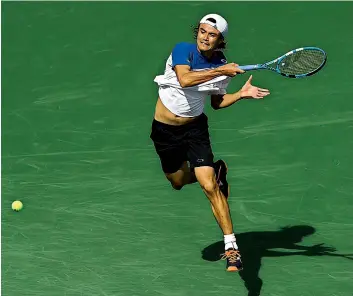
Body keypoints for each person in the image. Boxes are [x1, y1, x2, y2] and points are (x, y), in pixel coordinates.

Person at [150, 13, 270, 272]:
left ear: (220, 40)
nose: (205, 37)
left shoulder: (222, 65)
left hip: (195, 130)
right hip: (165, 131)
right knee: (178, 181)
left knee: (210, 187)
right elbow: (185, 79)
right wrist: (221, 71)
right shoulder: (183, 51)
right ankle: (216, 171)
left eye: (212, 34)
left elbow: (217, 103)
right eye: (202, 32)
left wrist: (240, 94)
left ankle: (231, 248)